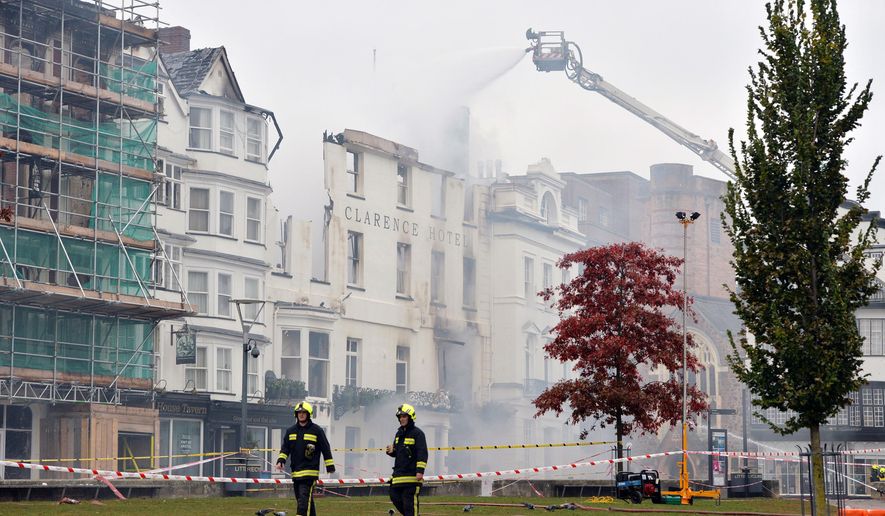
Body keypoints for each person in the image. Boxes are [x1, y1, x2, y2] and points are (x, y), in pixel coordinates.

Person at [276, 401, 335, 516]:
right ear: (296, 414)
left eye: (304, 412)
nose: (301, 414)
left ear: (308, 414)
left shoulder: (317, 430)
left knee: (303, 504)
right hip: (296, 474)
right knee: (305, 501)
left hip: (309, 474)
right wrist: (281, 460)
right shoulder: (290, 431)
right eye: (299, 412)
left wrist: (330, 466)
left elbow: (325, 448)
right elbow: (285, 448)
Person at [386, 403, 428, 516]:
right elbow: (399, 453)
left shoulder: (418, 434)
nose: (401, 419)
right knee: (394, 496)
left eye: (404, 416)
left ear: (410, 417)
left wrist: (420, 471)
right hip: (398, 476)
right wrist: (391, 451)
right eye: (400, 417)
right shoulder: (399, 434)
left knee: (409, 506)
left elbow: (422, 452)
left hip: (411, 478)